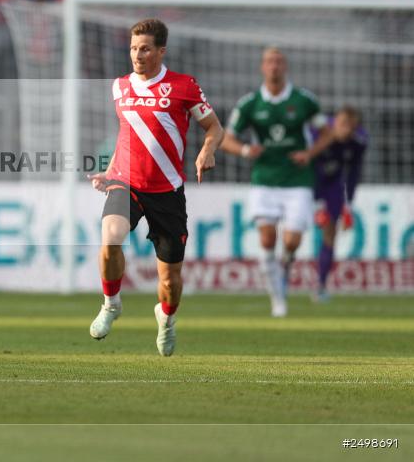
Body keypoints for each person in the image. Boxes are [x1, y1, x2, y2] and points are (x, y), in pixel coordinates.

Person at [87, 18, 224, 356]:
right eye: (133, 48)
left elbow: (214, 128)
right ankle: (111, 303)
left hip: (167, 191)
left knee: (169, 281)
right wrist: (109, 170)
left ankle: (166, 317)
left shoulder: (184, 86)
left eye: (145, 48)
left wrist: (207, 150)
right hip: (125, 181)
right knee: (110, 238)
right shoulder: (119, 86)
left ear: (161, 51)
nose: (137, 55)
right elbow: (127, 133)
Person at [221, 47, 333, 317]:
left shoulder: (304, 100)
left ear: (286, 67)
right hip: (265, 179)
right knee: (267, 238)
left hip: (297, 180)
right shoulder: (250, 103)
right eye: (270, 62)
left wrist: (309, 153)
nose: (274, 66)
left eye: (279, 62)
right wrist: (246, 150)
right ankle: (278, 299)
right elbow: (225, 139)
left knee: (292, 240)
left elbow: (327, 133)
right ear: (262, 67)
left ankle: (286, 262)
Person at [312, 106, 367, 302]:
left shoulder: (357, 143)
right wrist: (316, 202)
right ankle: (282, 275)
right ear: (334, 122)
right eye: (343, 125)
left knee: (330, 234)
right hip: (306, 184)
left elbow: (353, 174)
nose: (346, 130)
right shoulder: (318, 134)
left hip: (332, 187)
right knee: (292, 234)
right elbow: (309, 164)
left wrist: (348, 204)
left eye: (350, 127)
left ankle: (320, 286)